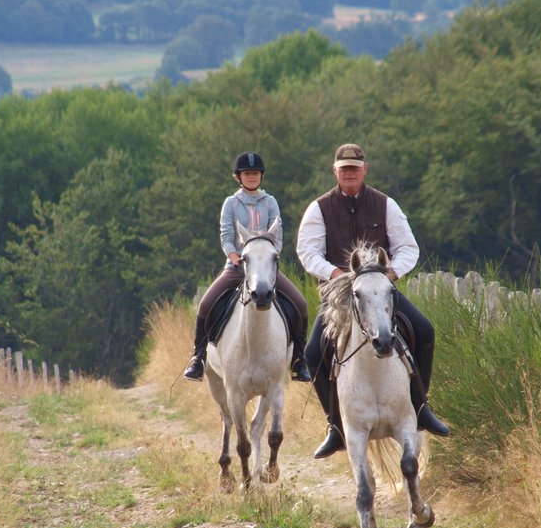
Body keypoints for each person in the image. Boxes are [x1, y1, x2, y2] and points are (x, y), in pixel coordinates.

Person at [296, 143, 450, 459]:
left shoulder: (386, 204)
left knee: (424, 330)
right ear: (334, 170)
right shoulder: (319, 208)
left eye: (355, 167)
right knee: (313, 351)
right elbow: (307, 252)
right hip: (340, 294)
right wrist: (336, 274)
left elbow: (408, 247)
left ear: (365, 169)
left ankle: (421, 406)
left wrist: (391, 274)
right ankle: (336, 426)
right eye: (344, 168)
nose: (350, 173)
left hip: (380, 290)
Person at [183, 151, 312, 383]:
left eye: (255, 173)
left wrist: (268, 258)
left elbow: (278, 237)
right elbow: (226, 236)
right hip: (237, 266)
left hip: (266, 268)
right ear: (238, 177)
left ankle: (299, 360)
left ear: (261, 176)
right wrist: (235, 257)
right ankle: (198, 357)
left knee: (301, 304)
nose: (251, 177)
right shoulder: (231, 203)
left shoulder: (270, 202)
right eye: (247, 174)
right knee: (205, 304)